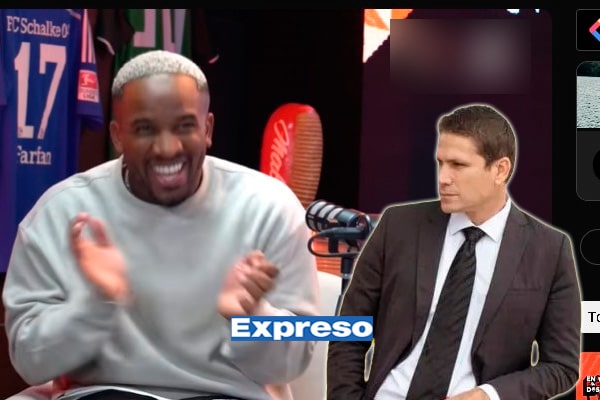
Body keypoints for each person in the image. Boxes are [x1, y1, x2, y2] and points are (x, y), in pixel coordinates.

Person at [3, 50, 319, 400]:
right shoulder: (62, 212)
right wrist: (95, 303)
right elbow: (30, 361)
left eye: (184, 126)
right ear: (117, 136)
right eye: (145, 130)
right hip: (104, 393)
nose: (167, 148)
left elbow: (292, 364)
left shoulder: (267, 207)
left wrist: (249, 316)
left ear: (207, 129)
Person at [327, 104, 581, 400]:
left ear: (500, 170)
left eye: (458, 165)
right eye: (441, 163)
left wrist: (488, 395)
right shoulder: (398, 226)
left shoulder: (549, 250)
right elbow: (348, 329)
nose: (443, 178)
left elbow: (561, 366)